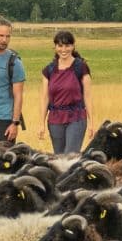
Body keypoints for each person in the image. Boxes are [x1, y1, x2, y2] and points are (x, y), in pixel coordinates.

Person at [42, 29, 91, 157]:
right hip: (55, 119)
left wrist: (93, 123)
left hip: (76, 117)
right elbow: (45, 98)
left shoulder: (81, 67)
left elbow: (87, 96)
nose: (63, 49)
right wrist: (41, 124)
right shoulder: (49, 70)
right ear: (55, 47)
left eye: (67, 45)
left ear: (73, 46)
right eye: (60, 45)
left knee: (70, 157)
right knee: (59, 158)